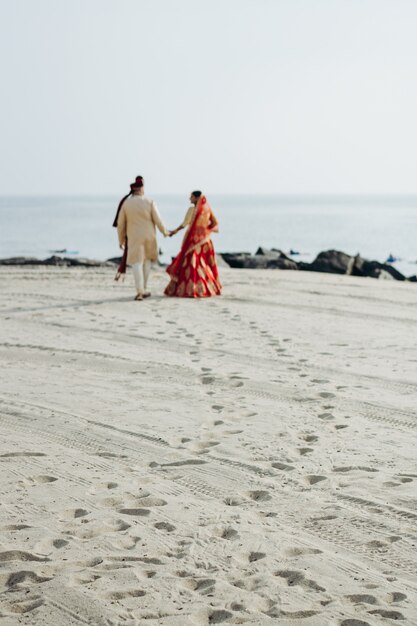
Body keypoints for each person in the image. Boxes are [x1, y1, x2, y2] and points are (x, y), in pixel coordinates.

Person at [113, 176, 168, 300]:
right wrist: (165, 232)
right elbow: (158, 220)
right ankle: (144, 288)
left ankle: (140, 291)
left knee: (136, 263)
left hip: (134, 237)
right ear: (141, 189)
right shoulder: (149, 201)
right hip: (149, 236)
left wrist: (121, 240)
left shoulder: (126, 204)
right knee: (146, 261)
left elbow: (120, 224)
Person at [165, 191, 222, 298]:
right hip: (205, 242)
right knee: (203, 265)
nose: (189, 199)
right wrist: (204, 232)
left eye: (191, 197)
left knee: (191, 265)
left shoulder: (193, 210)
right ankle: (208, 288)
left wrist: (174, 232)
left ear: (196, 198)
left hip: (192, 242)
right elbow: (214, 223)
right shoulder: (207, 209)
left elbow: (184, 224)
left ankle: (192, 289)